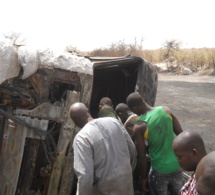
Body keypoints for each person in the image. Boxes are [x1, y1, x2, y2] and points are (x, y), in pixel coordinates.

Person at [70, 102, 136, 195]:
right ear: (88, 111)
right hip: (125, 184)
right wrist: (127, 170)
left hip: (104, 189)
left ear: (75, 122)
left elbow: (85, 177)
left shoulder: (82, 138)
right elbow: (132, 148)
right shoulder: (114, 122)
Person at [126, 92, 183, 195]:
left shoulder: (140, 126)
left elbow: (141, 156)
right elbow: (182, 136)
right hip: (176, 166)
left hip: (159, 171)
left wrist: (143, 178)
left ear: (134, 109)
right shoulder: (166, 110)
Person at [172, 130, 207, 195]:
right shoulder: (197, 173)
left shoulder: (205, 184)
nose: (178, 160)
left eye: (180, 157)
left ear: (194, 153)